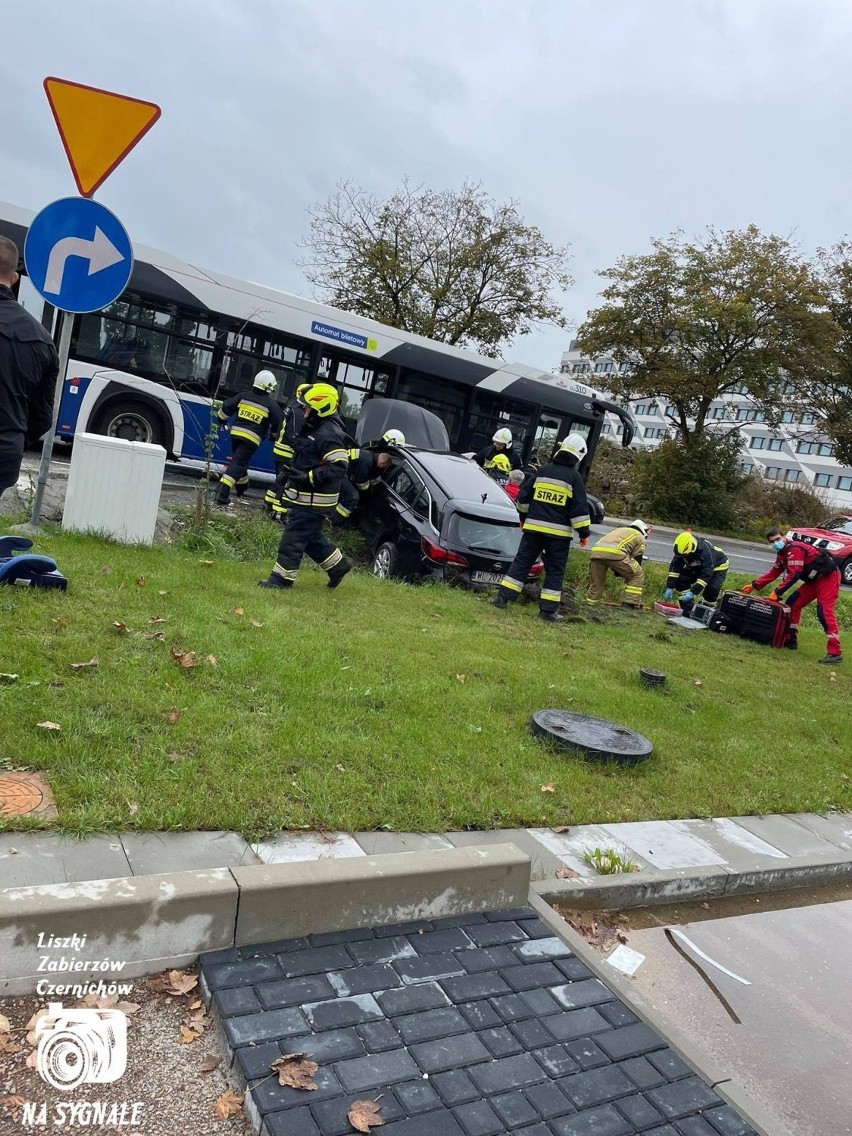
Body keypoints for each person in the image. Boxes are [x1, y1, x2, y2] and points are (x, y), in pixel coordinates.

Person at [259, 383, 352, 590]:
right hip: (307, 498)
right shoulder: (316, 427)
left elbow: (339, 467)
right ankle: (338, 566)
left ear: (321, 408)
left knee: (293, 539)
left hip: (313, 501)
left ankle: (281, 580)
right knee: (310, 538)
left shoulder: (329, 433)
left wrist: (308, 477)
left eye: (308, 407)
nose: (304, 410)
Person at [491, 433, 591, 623]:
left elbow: (523, 498)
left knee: (521, 562)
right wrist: (584, 533)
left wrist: (523, 518)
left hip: (533, 530)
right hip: (558, 536)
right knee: (554, 570)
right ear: (578, 455)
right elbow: (579, 509)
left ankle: (502, 599)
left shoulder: (543, 470)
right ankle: (547, 612)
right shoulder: (574, 478)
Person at [0, 236, 59, 499]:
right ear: (14, 278)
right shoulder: (43, 340)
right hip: (5, 453)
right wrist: (12, 440)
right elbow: (42, 418)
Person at [742, 528, 842, 664]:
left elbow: (794, 574)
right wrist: (754, 585)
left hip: (828, 578)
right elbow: (774, 573)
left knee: (824, 611)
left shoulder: (794, 548)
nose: (775, 543)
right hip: (813, 581)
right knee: (793, 604)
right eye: (772, 541)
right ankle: (791, 639)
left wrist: (777, 592)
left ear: (784, 537)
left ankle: (834, 652)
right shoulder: (782, 553)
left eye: (777, 539)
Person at [215, 371, 283, 506]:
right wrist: (273, 436)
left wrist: (222, 421)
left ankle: (242, 487)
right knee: (238, 463)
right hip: (252, 440)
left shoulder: (243, 396)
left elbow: (226, 407)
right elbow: (278, 423)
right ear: (270, 387)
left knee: (240, 461)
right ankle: (221, 492)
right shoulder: (271, 404)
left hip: (235, 434)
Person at [264, 381, 309, 517]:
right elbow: (293, 435)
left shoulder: (290, 406)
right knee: (285, 483)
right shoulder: (298, 412)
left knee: (279, 479)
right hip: (286, 452)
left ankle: (268, 502)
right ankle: (279, 512)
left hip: (279, 449)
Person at [663, 531, 729, 617]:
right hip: (698, 565)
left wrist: (693, 592)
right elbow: (674, 569)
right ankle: (687, 608)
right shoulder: (681, 551)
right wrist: (670, 587)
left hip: (718, 566)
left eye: (685, 556)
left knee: (712, 589)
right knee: (682, 579)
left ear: (692, 549)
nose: (683, 558)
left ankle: (708, 610)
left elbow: (706, 575)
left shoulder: (706, 551)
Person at [586, 520, 650, 609]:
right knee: (637, 574)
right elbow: (637, 559)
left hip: (596, 553)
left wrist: (619, 570)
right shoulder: (639, 536)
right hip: (616, 554)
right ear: (643, 529)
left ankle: (591, 604)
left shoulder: (619, 530)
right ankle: (629, 604)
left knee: (597, 581)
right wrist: (624, 572)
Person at [336, 449, 393, 521]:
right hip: (338, 471)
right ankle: (335, 520)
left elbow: (373, 476)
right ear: (382, 463)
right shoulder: (366, 461)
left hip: (341, 468)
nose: (382, 468)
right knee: (353, 497)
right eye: (383, 467)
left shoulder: (370, 456)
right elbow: (361, 483)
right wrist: (368, 491)